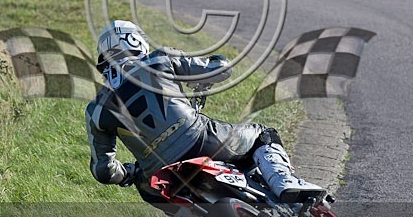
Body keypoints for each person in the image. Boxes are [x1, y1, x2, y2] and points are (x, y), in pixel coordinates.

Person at [85, 20, 324, 205]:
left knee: (148, 190)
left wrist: (128, 173)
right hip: (201, 139)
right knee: (263, 134)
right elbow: (219, 69)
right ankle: (284, 181)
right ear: (135, 41)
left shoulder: (96, 109)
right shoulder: (160, 59)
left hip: (157, 173)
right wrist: (214, 67)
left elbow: (103, 171)